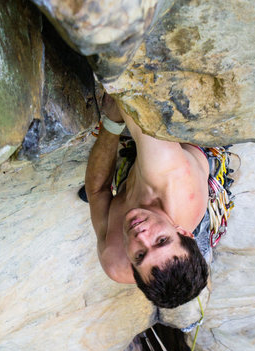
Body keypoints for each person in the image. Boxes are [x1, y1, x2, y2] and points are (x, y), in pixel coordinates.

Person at [84, 93, 209, 309]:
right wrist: (116, 113)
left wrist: (113, 124)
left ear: (132, 267)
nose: (141, 236)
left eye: (140, 255)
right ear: (183, 232)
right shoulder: (167, 171)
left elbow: (97, 192)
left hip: (133, 179)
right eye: (161, 240)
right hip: (185, 153)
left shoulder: (116, 262)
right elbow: (127, 90)